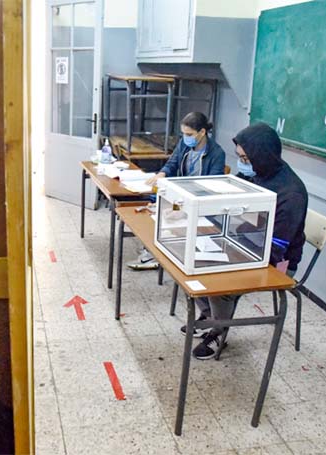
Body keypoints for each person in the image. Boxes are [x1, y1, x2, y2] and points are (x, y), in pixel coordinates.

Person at [191, 122, 308, 360]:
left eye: (245, 158)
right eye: (240, 157)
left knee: (220, 281)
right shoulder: (257, 173)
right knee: (196, 258)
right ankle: (211, 315)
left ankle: (218, 330)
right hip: (248, 242)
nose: (241, 163)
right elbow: (230, 198)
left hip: (278, 261)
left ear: (261, 156)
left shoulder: (291, 193)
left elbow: (276, 249)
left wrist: (230, 254)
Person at [128, 112, 226, 270]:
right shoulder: (185, 144)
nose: (186, 138)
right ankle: (154, 252)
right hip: (181, 197)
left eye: (189, 134)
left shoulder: (217, 154)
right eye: (183, 134)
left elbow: (211, 187)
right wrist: (162, 173)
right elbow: (173, 162)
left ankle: (163, 254)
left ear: (202, 132)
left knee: (170, 218)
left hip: (199, 203)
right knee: (158, 212)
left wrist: (185, 210)